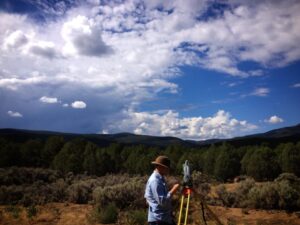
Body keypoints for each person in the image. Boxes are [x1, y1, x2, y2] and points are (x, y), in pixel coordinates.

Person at [144, 155, 180, 225]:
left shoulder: (160, 179)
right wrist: (174, 189)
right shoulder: (155, 181)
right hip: (158, 220)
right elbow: (162, 201)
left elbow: (147, 197)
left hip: (163, 218)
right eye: (167, 168)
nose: (168, 170)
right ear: (160, 167)